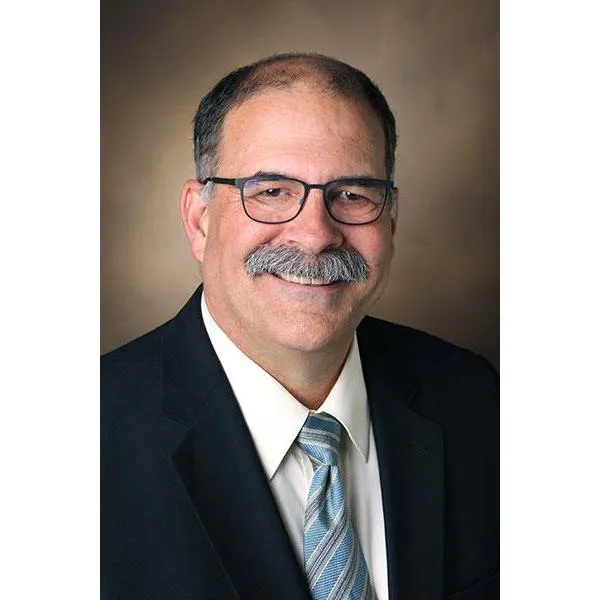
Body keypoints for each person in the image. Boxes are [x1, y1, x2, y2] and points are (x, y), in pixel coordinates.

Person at [101, 53, 499, 600]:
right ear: (199, 220)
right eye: (271, 191)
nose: (315, 235)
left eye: (353, 194)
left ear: (391, 219)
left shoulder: (478, 400)